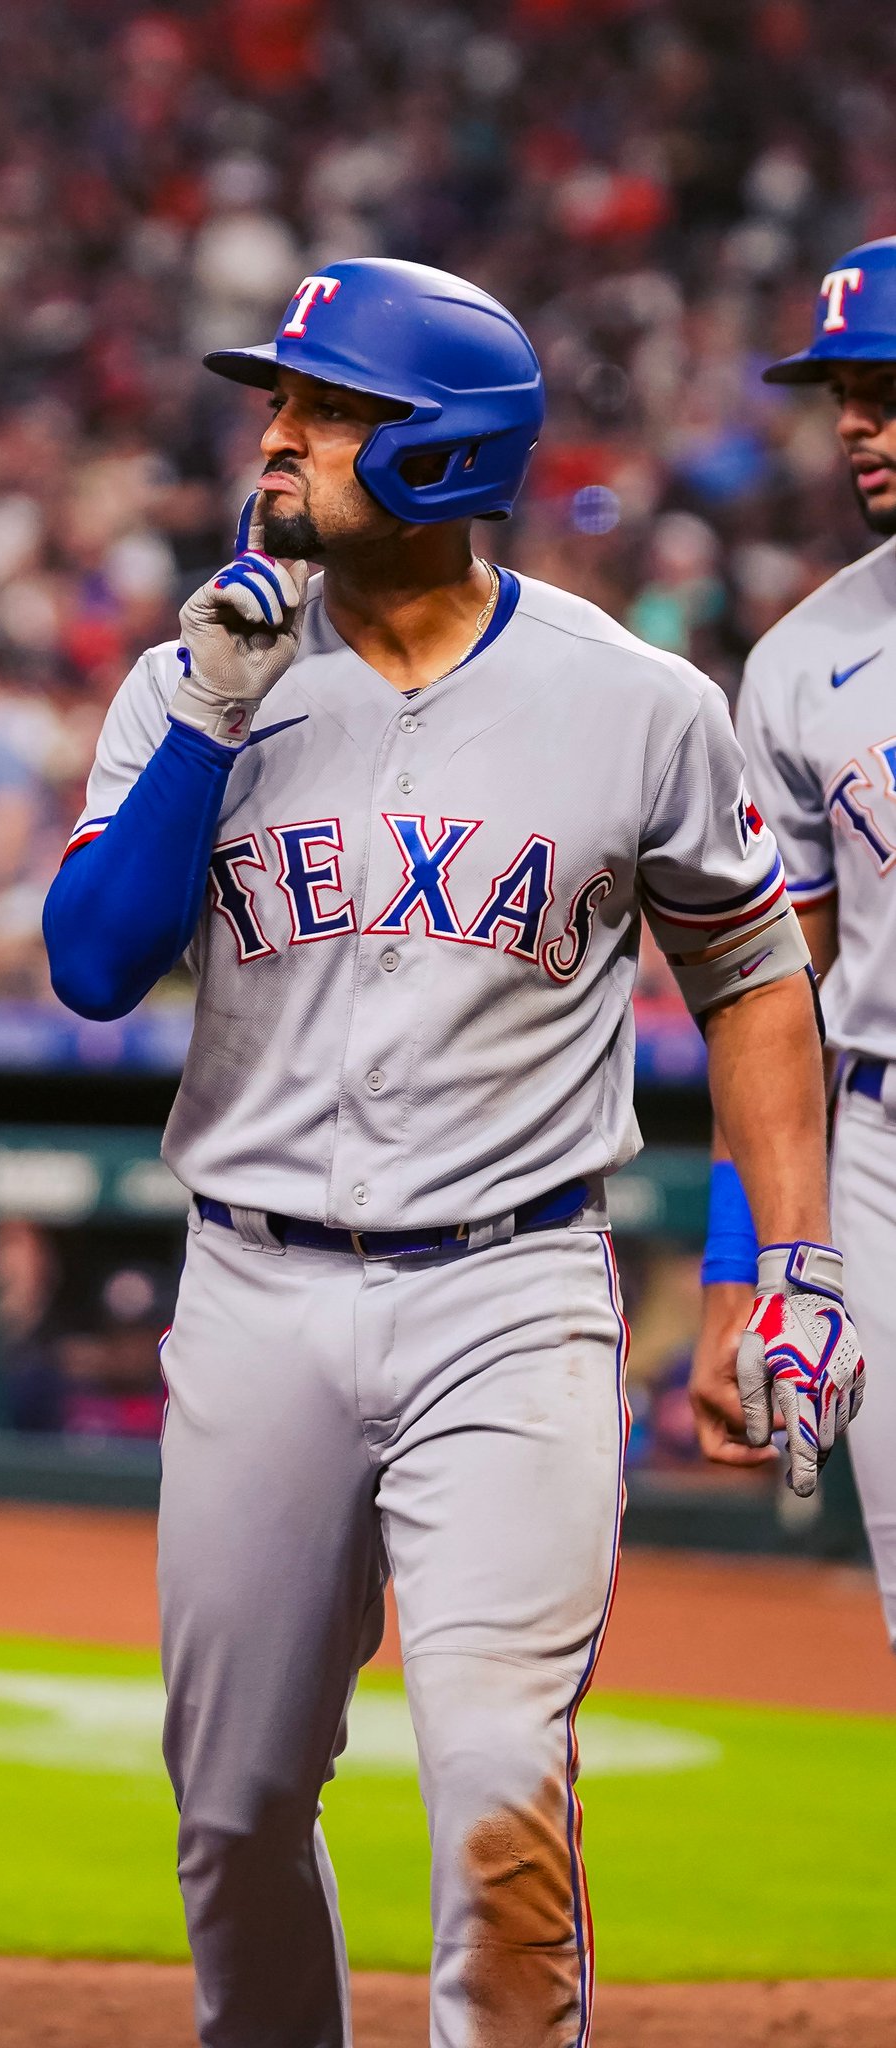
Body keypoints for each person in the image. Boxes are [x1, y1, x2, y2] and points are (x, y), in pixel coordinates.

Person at [43, 259, 863, 2048]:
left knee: (496, 1772)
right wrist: (206, 709)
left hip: (512, 1289)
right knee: (236, 1805)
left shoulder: (632, 697)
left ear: (439, 452)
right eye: (280, 402)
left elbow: (753, 979)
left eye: (324, 409)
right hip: (252, 1288)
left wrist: (781, 1268)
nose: (275, 437)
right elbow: (93, 968)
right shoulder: (194, 681)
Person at [693, 236, 896, 1647]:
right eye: (840, 391)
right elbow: (771, 995)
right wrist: (738, 1268)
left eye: (885, 386)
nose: (854, 425)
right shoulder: (804, 663)